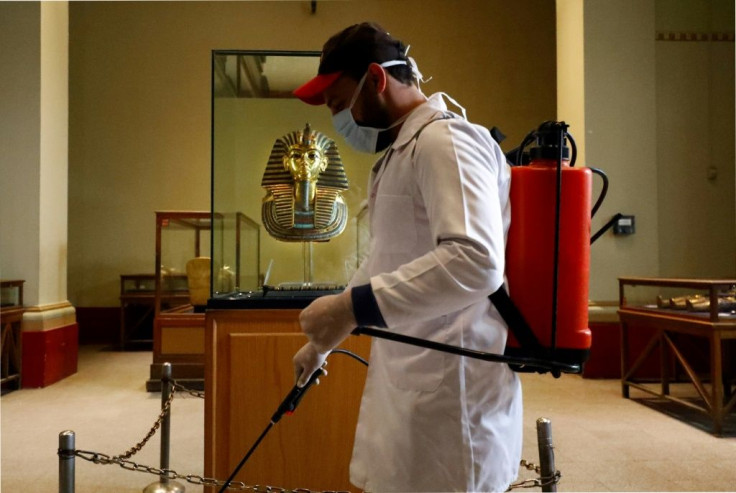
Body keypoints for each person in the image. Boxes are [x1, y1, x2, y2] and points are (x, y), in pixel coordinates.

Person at [292, 22, 522, 492]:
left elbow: (475, 260)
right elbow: (386, 259)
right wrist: (328, 336)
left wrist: (350, 308)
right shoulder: (402, 150)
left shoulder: (447, 142)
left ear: (376, 79)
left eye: (339, 104)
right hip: (414, 370)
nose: (338, 119)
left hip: (453, 392)